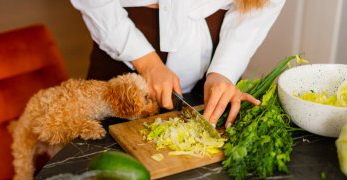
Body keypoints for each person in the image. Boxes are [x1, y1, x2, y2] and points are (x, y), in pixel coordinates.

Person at [70, 0, 286, 128]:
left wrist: (223, 72)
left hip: (219, 51)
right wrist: (145, 61)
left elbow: (261, 6)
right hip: (125, 44)